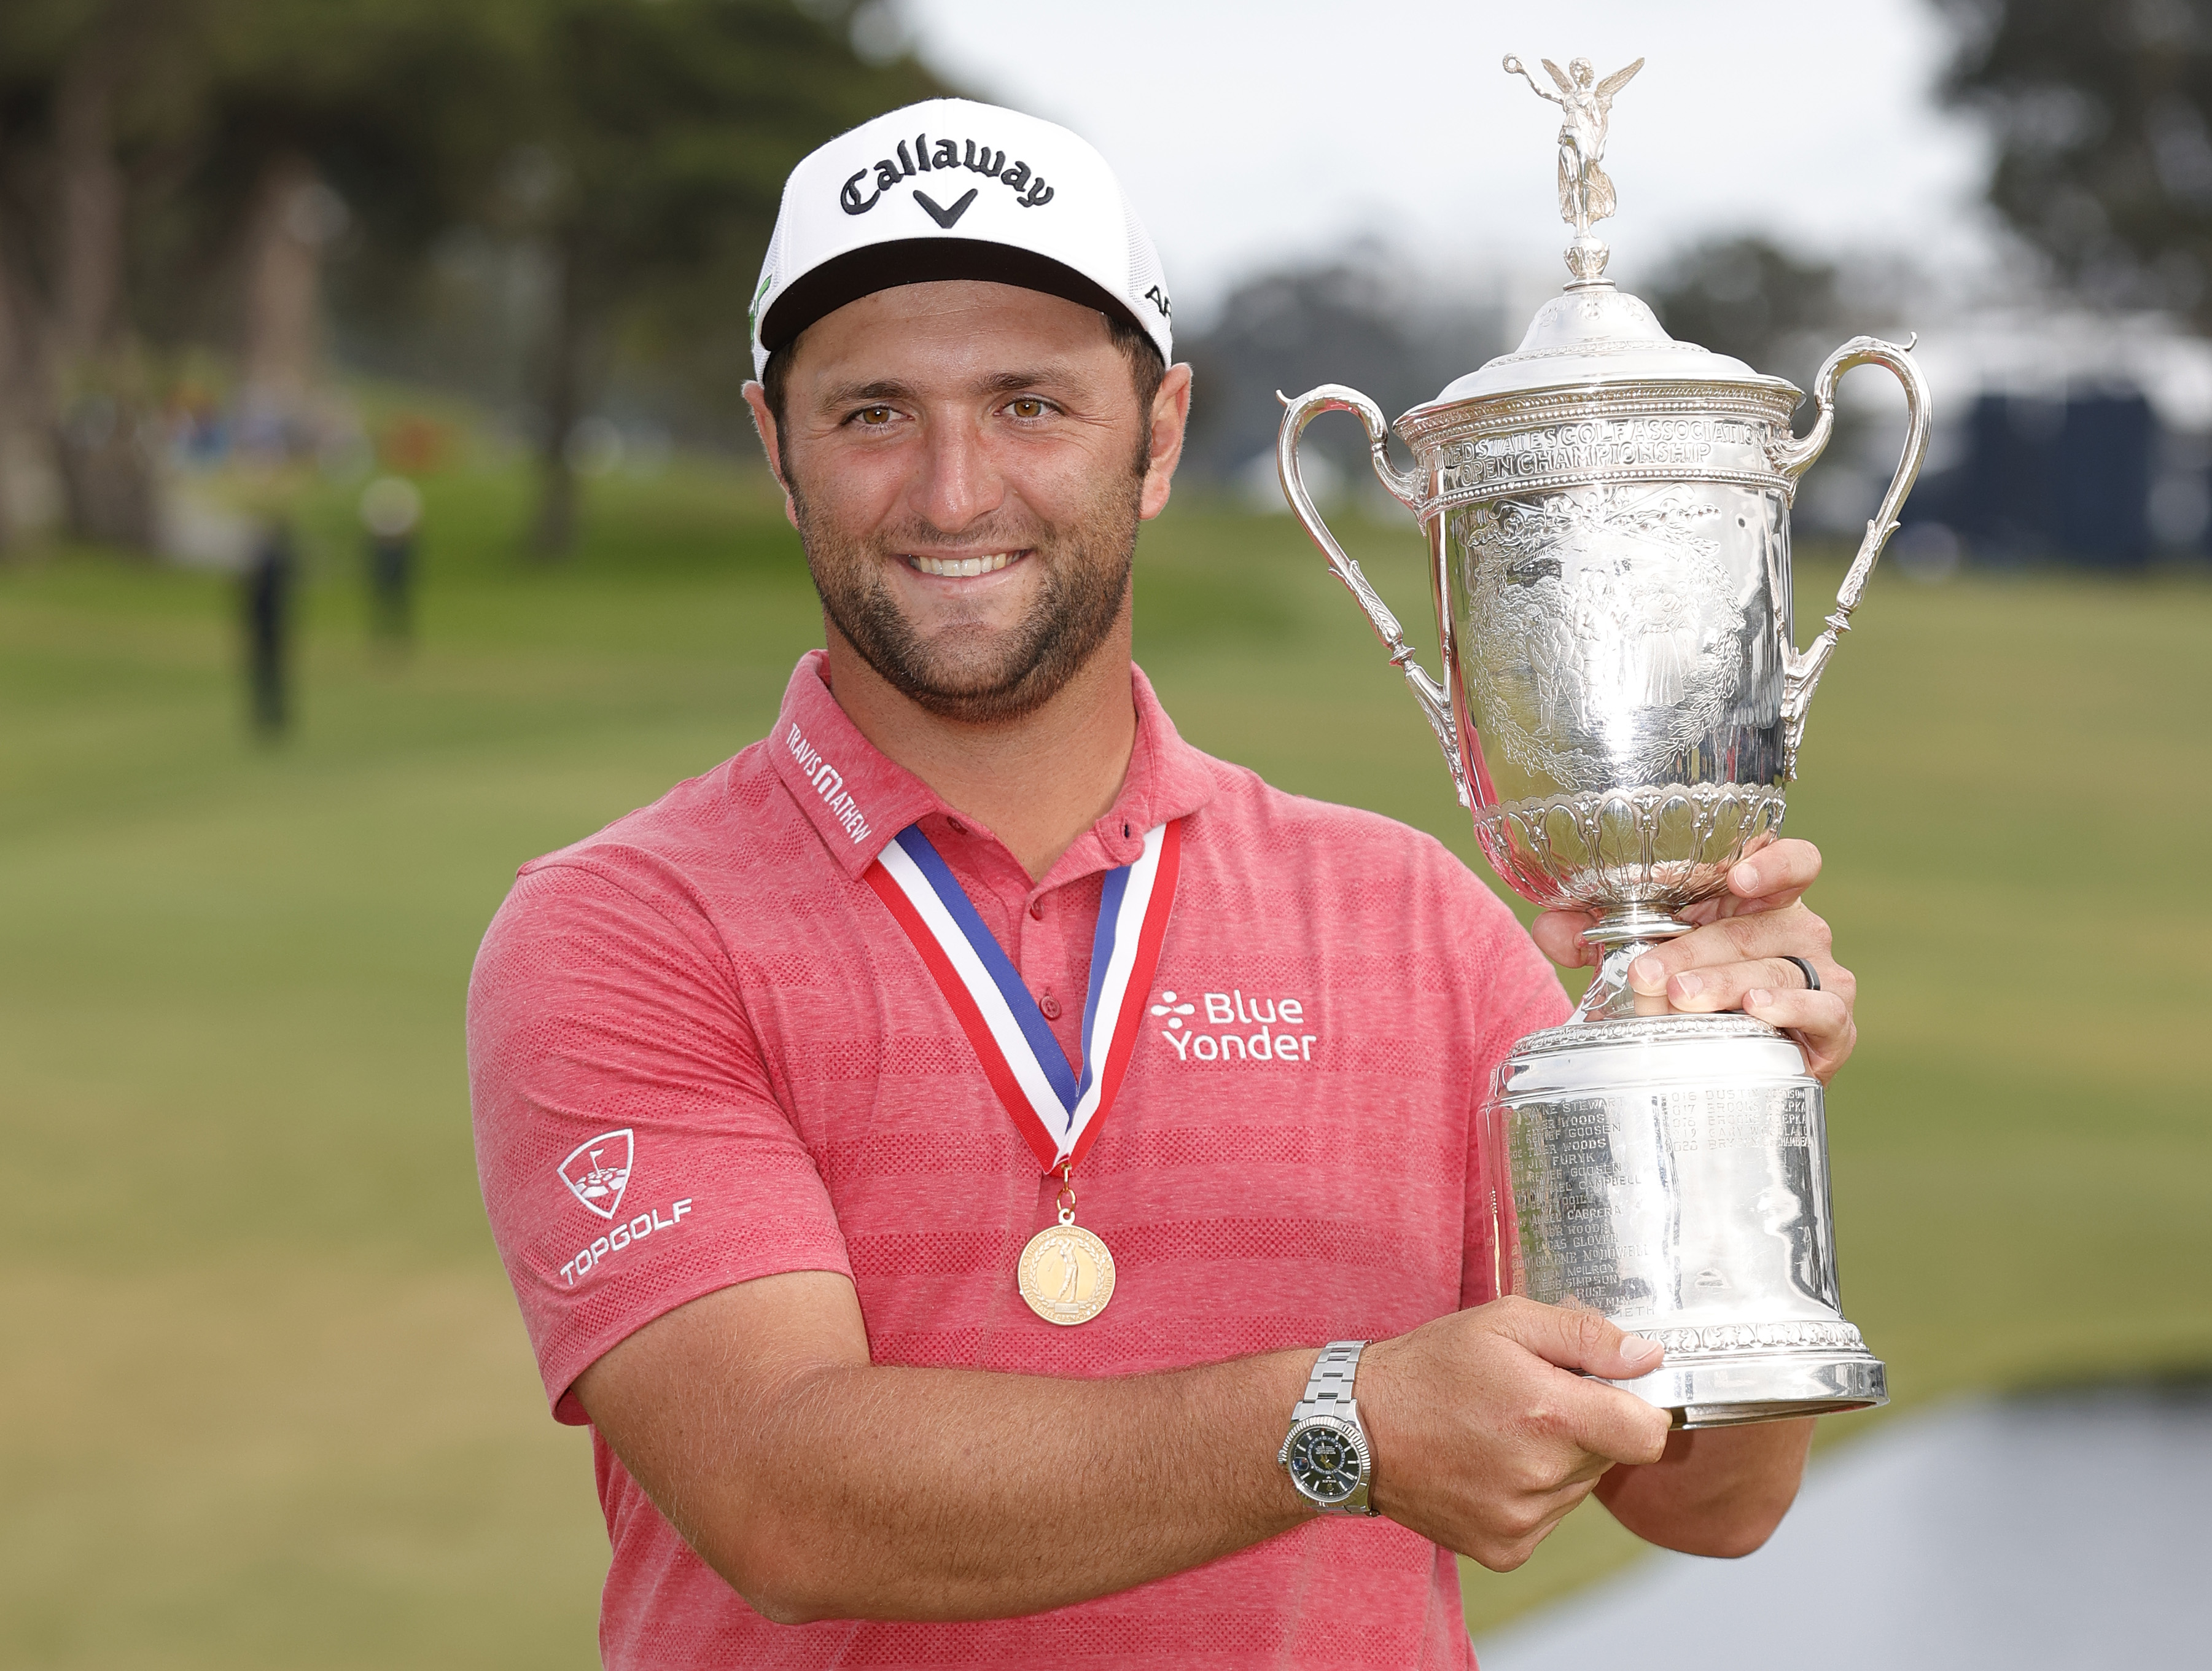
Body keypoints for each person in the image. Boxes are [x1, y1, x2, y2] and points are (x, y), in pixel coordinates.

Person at [467, 98, 1860, 1670]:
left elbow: (1704, 1498)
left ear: (1162, 434)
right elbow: (781, 1494)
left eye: (1029, 405)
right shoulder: (625, 927)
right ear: (773, 446)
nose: (949, 491)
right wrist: (1343, 1417)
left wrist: (1727, 1107)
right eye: (870, 412)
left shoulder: (1410, 920)